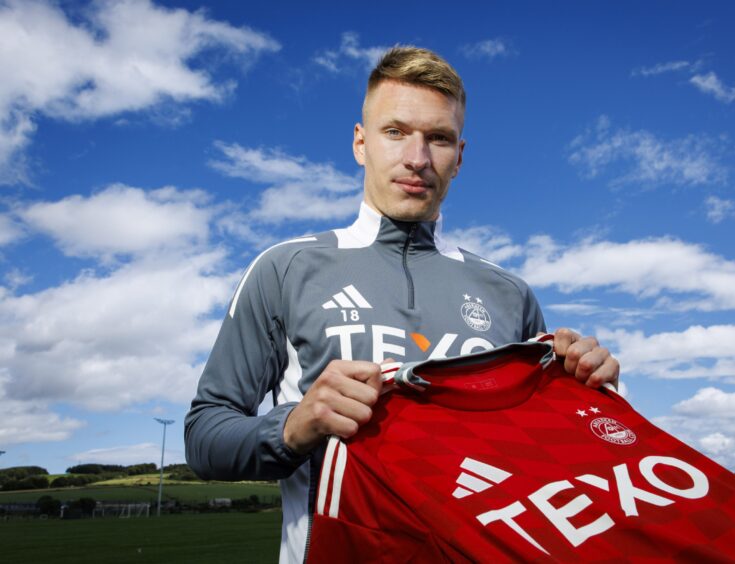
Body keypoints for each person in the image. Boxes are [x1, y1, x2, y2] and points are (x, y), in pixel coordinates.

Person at [185, 46, 619, 563]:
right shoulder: (285, 268)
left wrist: (592, 396)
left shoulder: (511, 293)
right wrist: (293, 425)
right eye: (395, 132)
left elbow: (544, 468)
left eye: (438, 138)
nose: (417, 158)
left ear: (459, 156)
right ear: (360, 143)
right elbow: (204, 435)